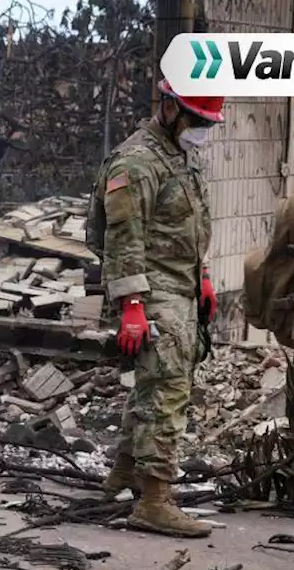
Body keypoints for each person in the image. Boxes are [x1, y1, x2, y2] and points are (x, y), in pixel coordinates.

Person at [95, 79, 223, 538]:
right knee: (167, 390)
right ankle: (154, 499)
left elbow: (190, 223)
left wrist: (202, 275)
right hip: (150, 290)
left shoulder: (179, 154)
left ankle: (125, 472)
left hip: (179, 285)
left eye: (209, 122)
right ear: (169, 108)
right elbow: (122, 237)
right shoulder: (137, 161)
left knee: (157, 384)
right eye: (198, 119)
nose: (203, 130)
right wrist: (131, 304)